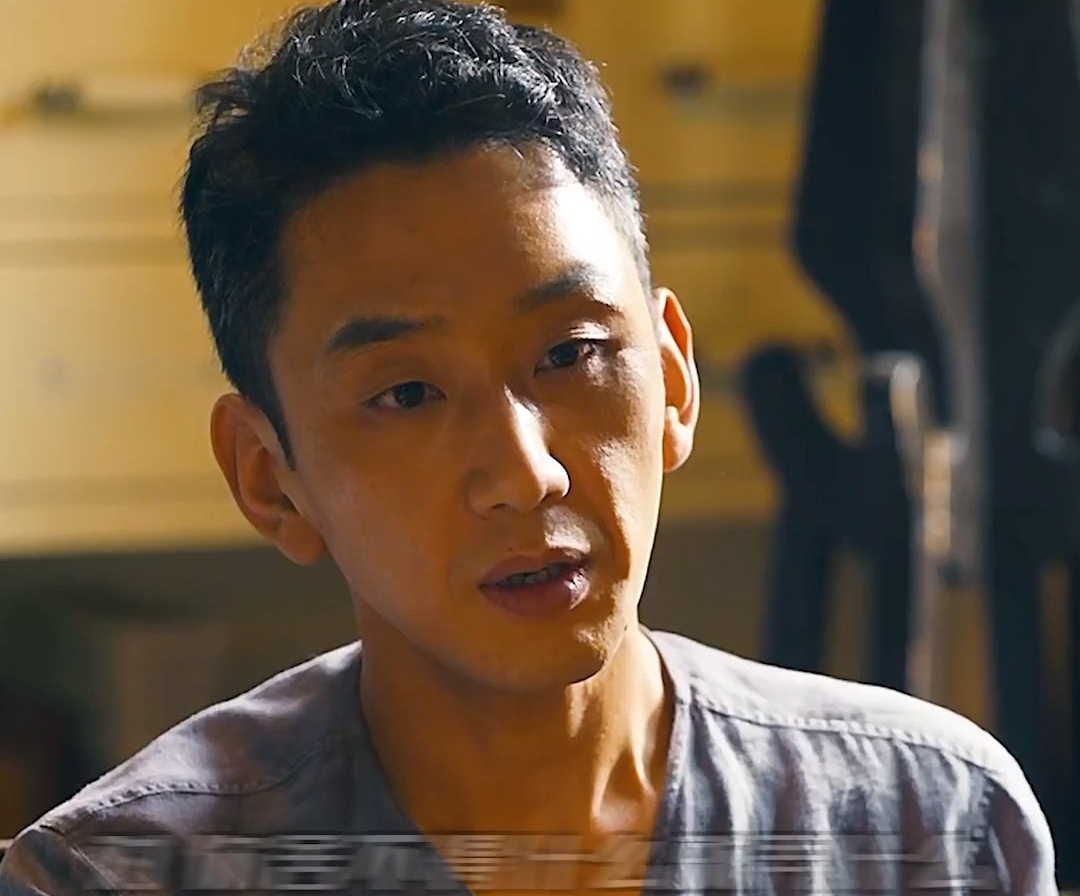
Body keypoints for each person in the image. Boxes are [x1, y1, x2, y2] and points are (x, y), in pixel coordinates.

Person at [0, 1, 1057, 893]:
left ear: (674, 377)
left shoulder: (926, 827)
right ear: (269, 478)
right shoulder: (119, 876)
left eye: (571, 353)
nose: (527, 471)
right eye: (407, 392)